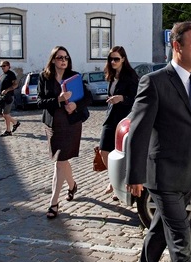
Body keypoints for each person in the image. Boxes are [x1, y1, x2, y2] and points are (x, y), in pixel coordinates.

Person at [126, 21, 191, 262]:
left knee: (161, 228)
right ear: (176, 46)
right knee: (182, 242)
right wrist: (135, 176)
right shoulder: (154, 82)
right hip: (163, 176)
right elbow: (139, 132)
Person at [37, 46, 92, 219]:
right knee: (62, 160)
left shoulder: (74, 76)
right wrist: (59, 100)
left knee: (60, 161)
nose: (63, 60)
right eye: (60, 57)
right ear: (53, 59)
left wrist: (76, 105)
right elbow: (40, 102)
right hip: (53, 125)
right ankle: (72, 185)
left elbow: (88, 97)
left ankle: (54, 203)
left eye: (66, 57)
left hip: (71, 124)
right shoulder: (44, 77)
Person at [99, 46, 139, 200]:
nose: (113, 61)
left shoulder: (131, 76)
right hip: (111, 117)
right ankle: (113, 180)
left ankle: (118, 187)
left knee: (121, 154)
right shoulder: (111, 75)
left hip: (124, 119)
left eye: (116, 59)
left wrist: (121, 98)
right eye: (111, 59)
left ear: (123, 59)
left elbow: (136, 99)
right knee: (104, 150)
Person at [0, 60, 20, 137]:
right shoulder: (3, 75)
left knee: (6, 114)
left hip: (9, 97)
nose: (2, 67)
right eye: (1, 66)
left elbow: (16, 85)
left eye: (4, 66)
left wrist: (7, 90)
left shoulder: (11, 74)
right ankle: (15, 122)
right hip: (2, 97)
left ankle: (8, 130)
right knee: (1, 113)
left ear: (8, 66)